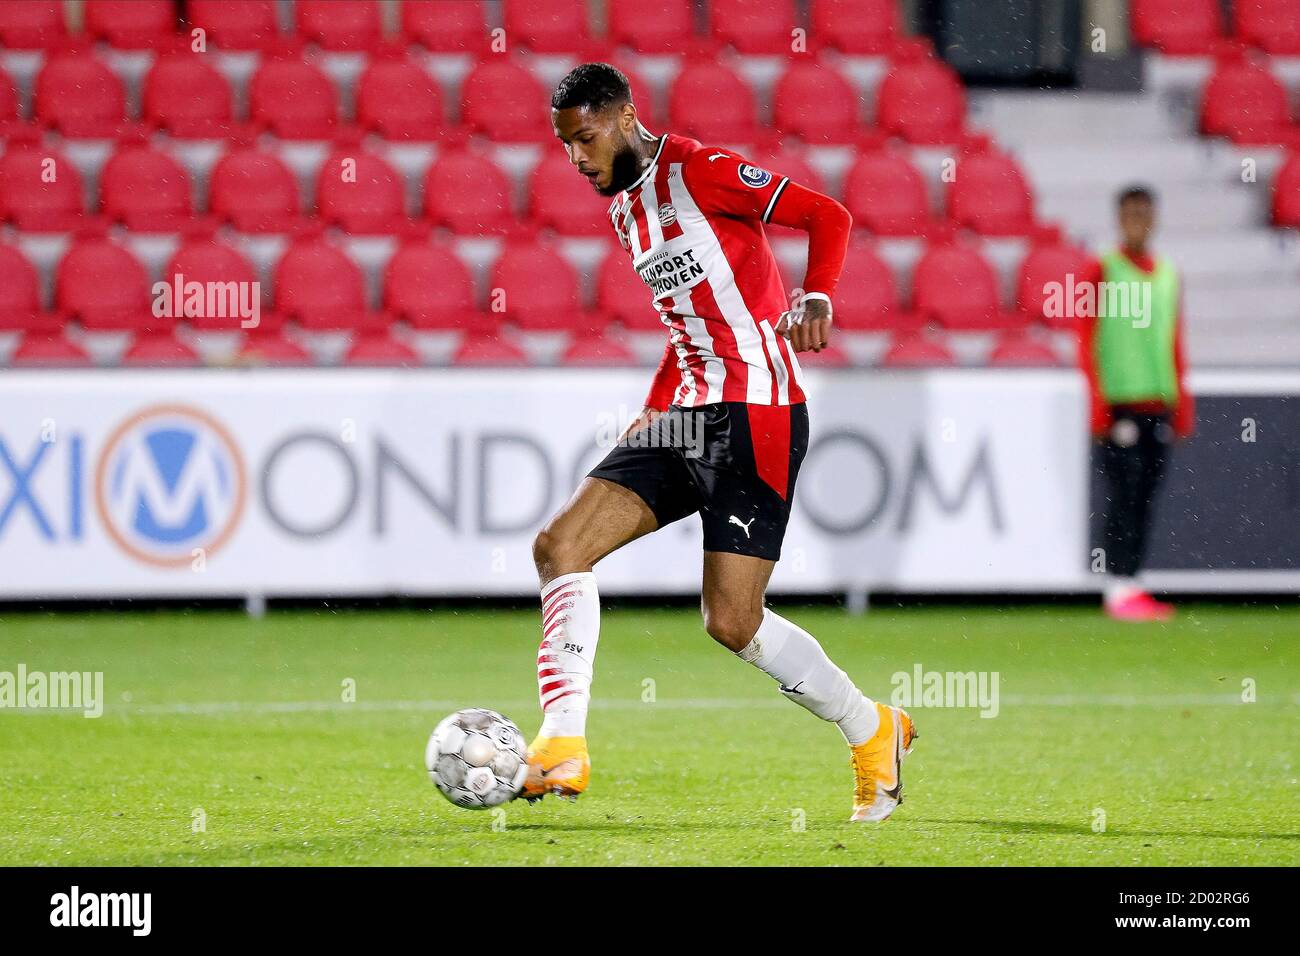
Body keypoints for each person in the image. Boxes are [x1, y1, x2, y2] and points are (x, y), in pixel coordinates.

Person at [523, 63, 916, 822]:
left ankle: (872, 730)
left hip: (762, 412)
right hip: (690, 416)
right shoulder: (626, 214)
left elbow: (827, 214)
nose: (577, 158)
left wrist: (820, 292)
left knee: (733, 622)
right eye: (566, 146)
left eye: (587, 137)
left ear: (626, 115)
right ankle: (562, 745)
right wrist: (652, 410)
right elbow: (689, 326)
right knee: (559, 547)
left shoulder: (700, 170)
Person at [1079, 185, 1194, 621]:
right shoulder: (1102, 269)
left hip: (1157, 403)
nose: (1137, 220)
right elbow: (1085, 338)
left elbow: (1174, 341)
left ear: (1154, 217)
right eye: (1129, 212)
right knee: (1122, 495)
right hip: (1120, 405)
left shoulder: (1168, 274)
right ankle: (1117, 585)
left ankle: (1133, 582)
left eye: (1144, 212)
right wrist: (1097, 405)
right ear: (1118, 218)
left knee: (1146, 495)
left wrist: (1182, 402)